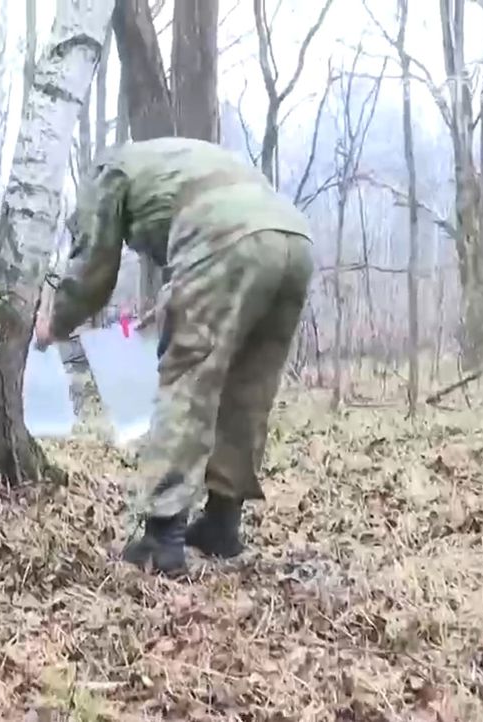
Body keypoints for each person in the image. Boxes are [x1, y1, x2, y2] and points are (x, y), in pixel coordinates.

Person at [33, 137, 315, 576]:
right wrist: (172, 299)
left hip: (227, 238)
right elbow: (210, 230)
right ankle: (222, 524)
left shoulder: (108, 173)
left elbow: (94, 267)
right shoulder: (174, 160)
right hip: (294, 240)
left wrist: (55, 322)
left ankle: (163, 536)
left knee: (187, 379)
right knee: (247, 386)